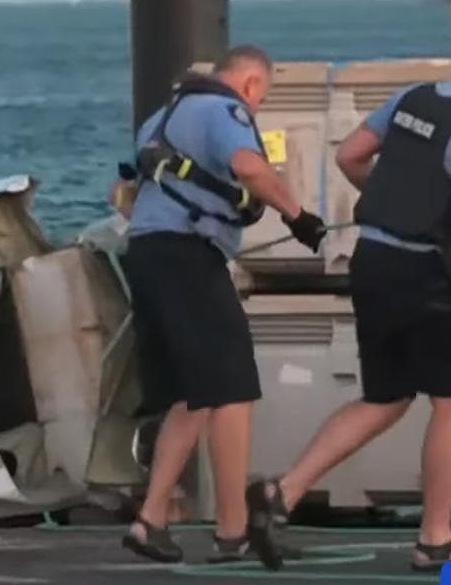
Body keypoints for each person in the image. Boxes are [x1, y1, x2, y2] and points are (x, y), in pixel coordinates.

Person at [115, 44, 327, 569]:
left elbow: (122, 194)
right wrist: (300, 217)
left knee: (194, 396)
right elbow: (249, 169)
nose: (257, 107)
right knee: (233, 387)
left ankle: (152, 519)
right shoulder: (224, 110)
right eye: (262, 97)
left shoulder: (159, 120)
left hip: (147, 254)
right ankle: (232, 529)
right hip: (189, 258)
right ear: (251, 84)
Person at [247, 79, 451, 573]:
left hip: (373, 257)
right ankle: (436, 537)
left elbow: (351, 157)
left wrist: (394, 205)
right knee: (449, 403)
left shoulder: (415, 97)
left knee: (386, 397)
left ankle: (283, 492)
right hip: (425, 271)